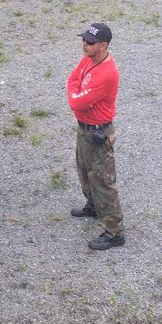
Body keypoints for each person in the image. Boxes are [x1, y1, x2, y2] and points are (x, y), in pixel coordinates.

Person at [66, 23, 125, 250]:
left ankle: (114, 232)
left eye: (90, 42)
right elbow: (72, 80)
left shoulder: (107, 73)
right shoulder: (88, 59)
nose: (84, 44)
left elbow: (76, 102)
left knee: (103, 182)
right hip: (85, 129)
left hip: (98, 133)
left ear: (103, 45)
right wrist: (75, 90)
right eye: (84, 40)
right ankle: (93, 207)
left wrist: (75, 92)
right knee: (84, 171)